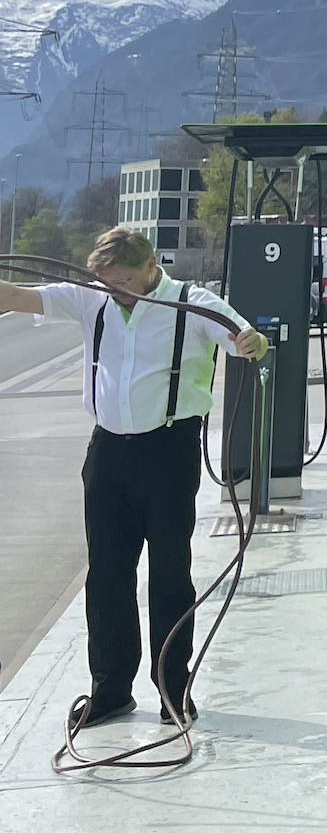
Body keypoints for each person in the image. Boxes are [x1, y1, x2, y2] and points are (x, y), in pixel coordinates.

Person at [0, 228, 267, 727]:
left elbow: (246, 341)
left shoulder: (192, 303)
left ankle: (173, 690)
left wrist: (253, 342)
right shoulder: (91, 299)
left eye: (121, 281)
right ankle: (110, 691)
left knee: (168, 573)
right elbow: (16, 296)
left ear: (150, 269)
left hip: (169, 451)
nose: (113, 292)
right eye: (105, 282)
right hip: (108, 454)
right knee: (106, 575)